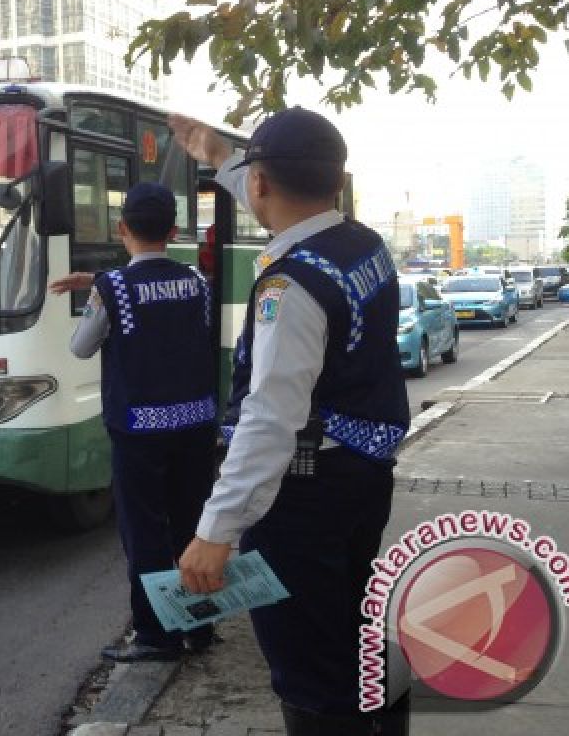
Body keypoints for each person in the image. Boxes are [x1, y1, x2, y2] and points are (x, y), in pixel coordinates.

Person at [169, 108, 410, 734]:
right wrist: (225, 159)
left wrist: (217, 529)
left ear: (261, 184)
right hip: (362, 477)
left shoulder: (290, 288)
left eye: (252, 176)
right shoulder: (361, 244)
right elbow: (282, 203)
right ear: (339, 180)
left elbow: (269, 419)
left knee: (309, 669)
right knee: (347, 636)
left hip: (306, 498)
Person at [50, 182, 218, 662]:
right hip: (196, 424)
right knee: (193, 525)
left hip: (139, 431)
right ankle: (200, 626)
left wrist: (97, 290)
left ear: (122, 228)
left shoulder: (114, 288)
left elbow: (82, 347)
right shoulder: (197, 282)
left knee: (145, 532)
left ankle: (156, 636)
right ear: (174, 230)